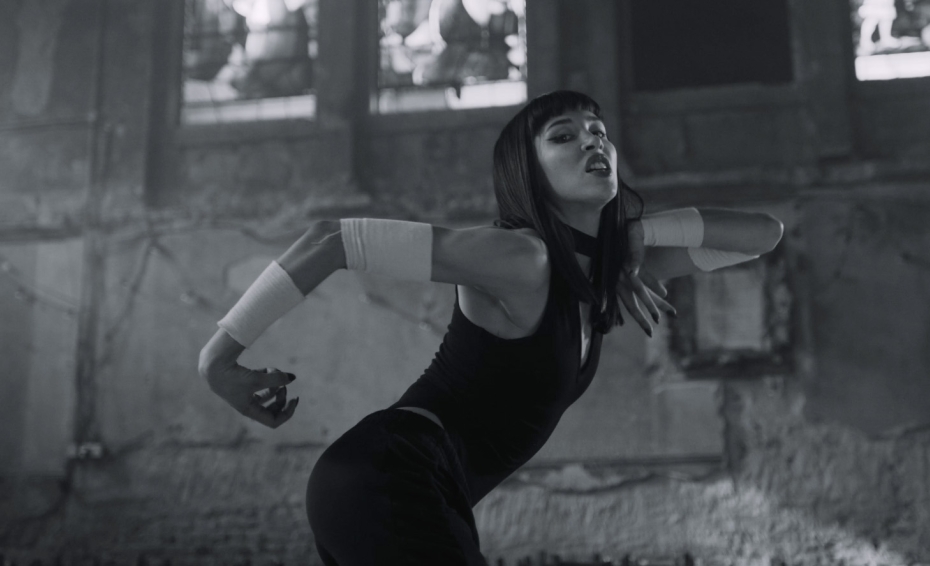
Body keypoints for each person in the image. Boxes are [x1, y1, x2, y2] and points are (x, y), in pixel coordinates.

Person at [196, 90, 784, 565]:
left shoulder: (608, 273)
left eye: (598, 131)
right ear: (527, 172)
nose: (592, 141)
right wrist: (218, 359)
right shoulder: (521, 258)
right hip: (390, 475)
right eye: (564, 136)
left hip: (417, 491)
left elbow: (763, 235)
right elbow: (331, 239)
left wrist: (639, 231)